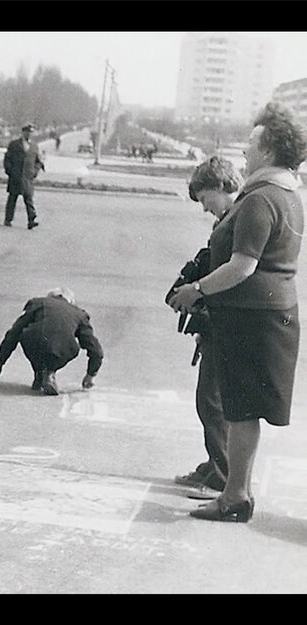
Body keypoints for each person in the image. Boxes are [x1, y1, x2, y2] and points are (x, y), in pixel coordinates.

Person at [169, 102, 307, 523]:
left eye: (250, 143)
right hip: (268, 316)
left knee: (243, 412)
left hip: (255, 319)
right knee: (243, 411)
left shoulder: (261, 199)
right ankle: (235, 492)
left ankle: (235, 498)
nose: (245, 152)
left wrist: (196, 290)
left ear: (268, 150)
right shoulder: (285, 193)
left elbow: (243, 265)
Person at [166, 156, 242, 501]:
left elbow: (233, 271)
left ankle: (223, 476)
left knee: (212, 401)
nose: (204, 208)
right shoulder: (229, 218)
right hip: (219, 321)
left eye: (205, 199)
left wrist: (197, 292)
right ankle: (217, 464)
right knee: (211, 399)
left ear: (222, 186)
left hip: (229, 323)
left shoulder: (237, 218)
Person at [0, 288, 103, 395]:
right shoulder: (79, 314)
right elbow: (95, 349)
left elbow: (13, 333)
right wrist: (90, 375)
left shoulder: (38, 303)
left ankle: (40, 373)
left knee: (28, 334)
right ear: (70, 301)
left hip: (35, 344)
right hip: (62, 351)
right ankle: (49, 372)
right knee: (68, 345)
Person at [3, 123, 45, 229]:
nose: (29, 135)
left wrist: (34, 172)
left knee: (29, 199)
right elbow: (7, 159)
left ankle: (31, 220)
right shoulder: (14, 144)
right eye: (27, 132)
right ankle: (8, 219)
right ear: (23, 133)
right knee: (12, 199)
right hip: (15, 177)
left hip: (27, 178)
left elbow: (39, 162)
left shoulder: (34, 146)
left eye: (31, 133)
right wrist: (10, 171)